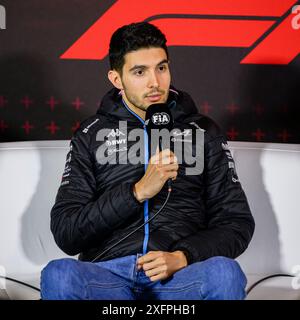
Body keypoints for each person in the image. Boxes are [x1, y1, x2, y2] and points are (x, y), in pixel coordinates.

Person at [40, 22, 255, 300]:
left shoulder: (203, 131)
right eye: (139, 72)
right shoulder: (90, 133)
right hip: (108, 277)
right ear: (117, 79)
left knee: (226, 274)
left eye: (161, 68)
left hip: (178, 277)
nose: (155, 82)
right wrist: (137, 192)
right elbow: (67, 231)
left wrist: (183, 256)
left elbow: (236, 222)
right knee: (59, 274)